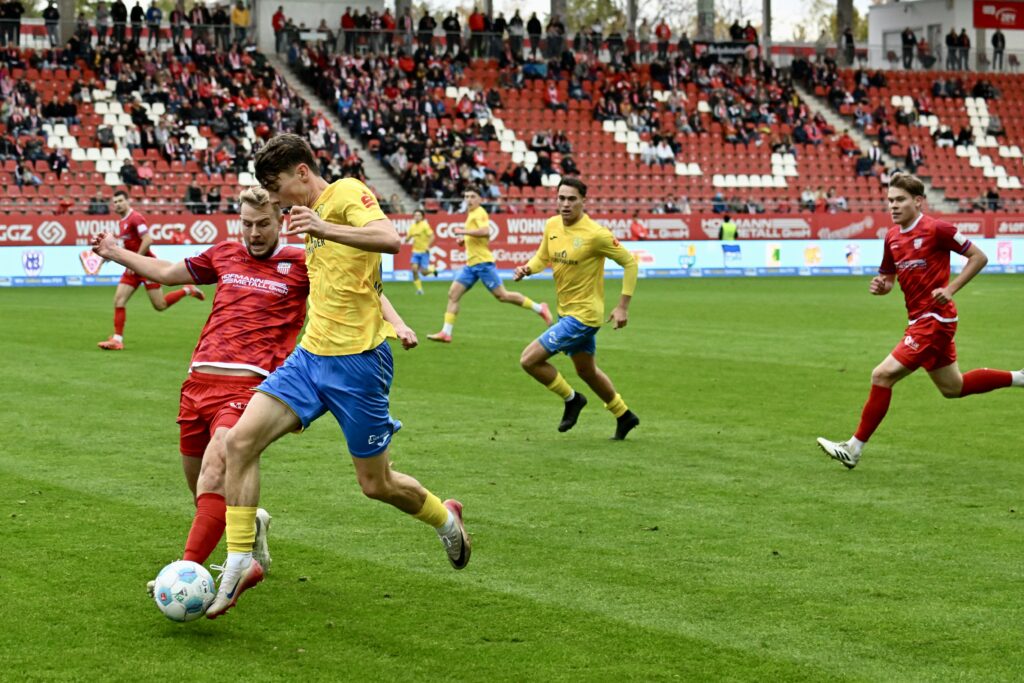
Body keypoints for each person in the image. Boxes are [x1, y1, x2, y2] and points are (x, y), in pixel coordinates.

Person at [205, 134, 470, 619]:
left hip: (358, 365)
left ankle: (444, 517)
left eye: (277, 184)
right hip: (309, 358)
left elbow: (390, 240)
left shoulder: (345, 194)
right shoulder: (308, 216)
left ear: (301, 173)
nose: (276, 196)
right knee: (239, 443)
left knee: (377, 484)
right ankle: (239, 561)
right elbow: (357, 282)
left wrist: (324, 227)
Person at [91, 187, 308, 582]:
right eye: (247, 224)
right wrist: (114, 252)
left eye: (263, 224)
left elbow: (352, 285)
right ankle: (251, 522)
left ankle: (186, 574)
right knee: (204, 493)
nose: (254, 233)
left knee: (215, 469)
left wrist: (394, 322)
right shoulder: (224, 253)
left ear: (282, 222)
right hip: (197, 385)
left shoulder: (301, 263)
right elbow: (167, 272)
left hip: (249, 390)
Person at [817, 173, 1024, 469]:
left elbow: (979, 257)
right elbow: (888, 280)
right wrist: (881, 287)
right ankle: (1020, 377)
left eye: (900, 200)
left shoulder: (938, 229)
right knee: (953, 387)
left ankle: (853, 448)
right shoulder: (892, 237)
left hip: (936, 319)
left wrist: (951, 288)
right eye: (890, 200)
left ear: (918, 201)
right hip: (919, 320)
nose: (893, 206)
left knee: (882, 375)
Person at [514, 178, 640, 440]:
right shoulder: (552, 225)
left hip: (584, 317)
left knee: (529, 360)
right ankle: (624, 415)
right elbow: (542, 257)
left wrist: (622, 307)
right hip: (566, 312)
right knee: (586, 371)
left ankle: (572, 399)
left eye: (571, 199)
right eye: (561, 198)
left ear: (584, 200)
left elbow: (630, 263)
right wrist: (528, 268)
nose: (565, 204)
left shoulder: (596, 234)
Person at [426, 186, 552, 343]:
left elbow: (486, 231)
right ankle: (446, 332)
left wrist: (464, 232)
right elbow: (477, 235)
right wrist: (464, 240)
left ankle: (540, 308)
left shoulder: (480, 213)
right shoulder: (471, 214)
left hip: (483, 263)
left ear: (480, 199)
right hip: (471, 265)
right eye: (466, 196)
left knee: (502, 296)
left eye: (472, 196)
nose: (469, 199)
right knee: (453, 294)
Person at [96, 190, 204, 351]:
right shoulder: (122, 222)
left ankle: (187, 290)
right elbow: (128, 244)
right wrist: (108, 256)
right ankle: (117, 339)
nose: (117, 204)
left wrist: (136, 261)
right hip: (132, 267)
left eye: (120, 201)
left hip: (146, 266)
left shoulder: (136, 218)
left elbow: (148, 240)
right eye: (115, 202)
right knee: (119, 300)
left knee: (159, 305)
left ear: (127, 201)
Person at [404, 208, 435, 294]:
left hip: (424, 252)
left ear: (422, 217)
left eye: (419, 215)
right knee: (414, 269)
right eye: (415, 215)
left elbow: (432, 236)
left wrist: (428, 246)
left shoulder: (425, 225)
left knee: (424, 272)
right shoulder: (412, 227)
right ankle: (419, 289)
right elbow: (408, 237)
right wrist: (406, 240)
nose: (417, 217)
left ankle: (433, 270)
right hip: (415, 252)